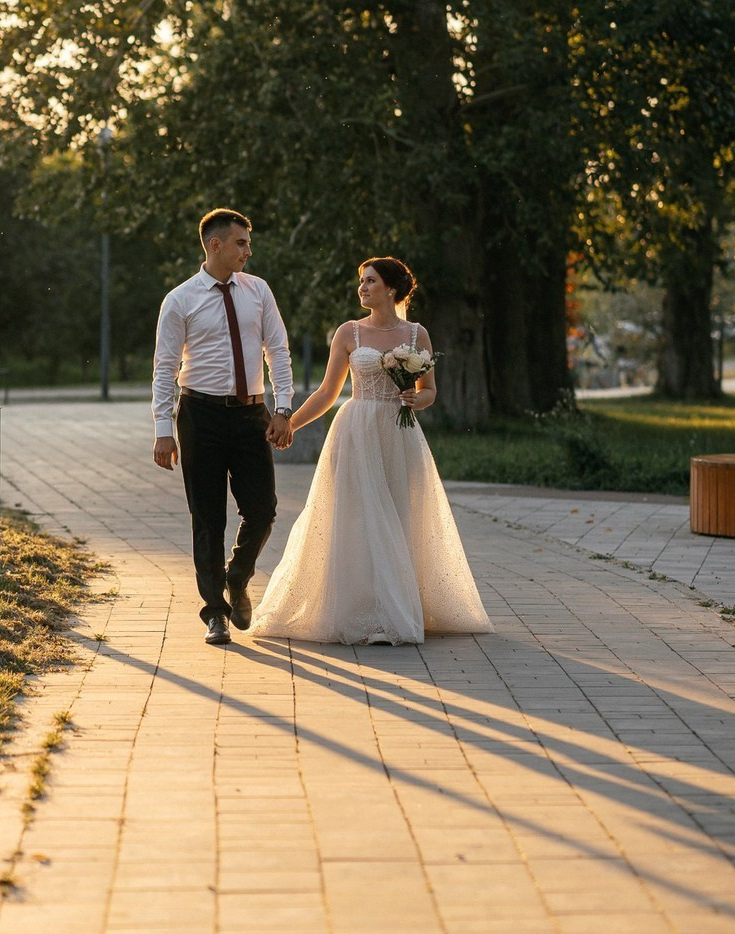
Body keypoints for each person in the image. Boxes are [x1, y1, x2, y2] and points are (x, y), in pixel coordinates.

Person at [249, 256, 492, 644]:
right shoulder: (349, 332)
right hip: (356, 431)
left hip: (399, 434)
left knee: (398, 516)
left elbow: (430, 390)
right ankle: (361, 609)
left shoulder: (416, 334)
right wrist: (289, 423)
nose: (362, 288)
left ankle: (392, 611)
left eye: (370, 281)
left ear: (391, 289)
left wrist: (418, 400)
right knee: (357, 519)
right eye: (361, 281)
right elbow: (328, 393)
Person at [152, 209, 296, 645]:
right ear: (215, 245)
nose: (248, 251)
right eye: (241, 243)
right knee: (207, 519)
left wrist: (283, 409)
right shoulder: (180, 299)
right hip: (201, 417)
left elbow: (279, 351)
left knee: (263, 509)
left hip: (251, 415)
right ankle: (215, 612)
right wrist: (163, 428)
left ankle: (237, 575)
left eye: (248, 244)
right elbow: (164, 367)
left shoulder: (259, 291)